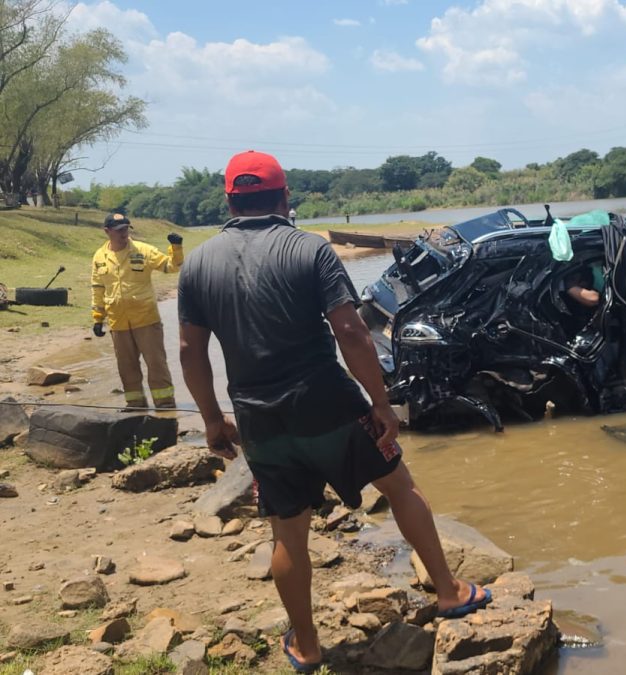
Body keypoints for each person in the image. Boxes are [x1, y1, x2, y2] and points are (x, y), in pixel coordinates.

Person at [177, 150, 490, 673]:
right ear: (284, 198)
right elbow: (350, 331)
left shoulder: (198, 263)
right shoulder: (310, 250)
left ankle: (306, 645)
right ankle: (449, 590)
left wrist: (212, 419)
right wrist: (382, 404)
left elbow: (189, 352)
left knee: (287, 530)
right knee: (398, 485)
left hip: (259, 420)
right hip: (330, 406)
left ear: (230, 200)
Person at [90, 212, 183, 409]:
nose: (124, 234)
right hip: (118, 322)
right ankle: (135, 406)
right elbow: (98, 288)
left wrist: (176, 248)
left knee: (156, 365)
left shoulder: (143, 250)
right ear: (107, 232)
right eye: (118, 231)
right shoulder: (99, 256)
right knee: (127, 368)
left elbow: (171, 266)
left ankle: (165, 407)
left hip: (146, 319)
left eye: (126, 229)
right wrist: (98, 318)